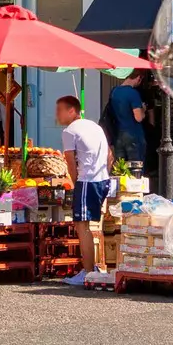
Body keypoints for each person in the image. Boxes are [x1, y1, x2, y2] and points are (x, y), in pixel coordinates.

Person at [54, 95, 110, 287]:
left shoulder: (70, 131)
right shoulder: (95, 126)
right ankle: (93, 268)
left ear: (72, 111)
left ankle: (88, 272)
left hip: (87, 181)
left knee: (81, 226)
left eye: (60, 110)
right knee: (93, 225)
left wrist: (76, 181)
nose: (57, 114)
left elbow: (70, 162)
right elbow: (110, 155)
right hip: (103, 179)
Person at [106, 72, 149, 167]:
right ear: (138, 78)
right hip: (133, 135)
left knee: (121, 167)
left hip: (118, 135)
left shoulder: (114, 91)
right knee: (135, 167)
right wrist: (143, 110)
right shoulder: (133, 93)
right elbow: (138, 117)